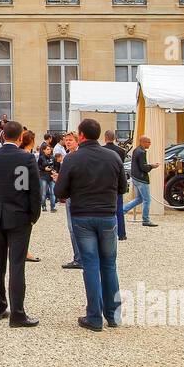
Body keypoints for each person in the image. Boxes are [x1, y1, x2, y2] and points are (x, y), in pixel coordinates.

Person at [55, 119, 128, 332]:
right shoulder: (113, 156)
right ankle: (113, 315)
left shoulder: (73, 158)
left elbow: (60, 192)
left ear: (81, 135)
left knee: (90, 265)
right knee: (109, 265)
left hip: (83, 216)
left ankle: (94, 316)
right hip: (107, 215)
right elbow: (122, 187)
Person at [0, 120, 42, 328]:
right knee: (17, 264)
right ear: (21, 137)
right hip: (20, 216)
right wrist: (34, 215)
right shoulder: (27, 158)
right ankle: (18, 313)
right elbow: (33, 190)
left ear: (3, 135)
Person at [121, 135, 158, 227]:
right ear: (143, 142)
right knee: (147, 200)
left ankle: (122, 211)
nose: (150, 144)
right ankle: (145, 219)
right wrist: (152, 166)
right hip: (141, 178)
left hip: (135, 177)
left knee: (139, 199)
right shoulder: (141, 152)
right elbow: (143, 167)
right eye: (148, 142)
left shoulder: (136, 150)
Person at [103, 130, 128, 242]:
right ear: (114, 138)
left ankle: (106, 233)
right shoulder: (121, 151)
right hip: (117, 182)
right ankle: (121, 233)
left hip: (103, 182)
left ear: (105, 138)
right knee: (119, 210)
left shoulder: (102, 150)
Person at [37, 142, 60, 212]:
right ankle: (43, 206)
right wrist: (44, 169)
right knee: (43, 193)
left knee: (53, 193)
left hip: (51, 177)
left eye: (50, 149)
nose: (49, 150)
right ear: (43, 150)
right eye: (47, 149)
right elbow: (38, 167)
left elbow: (57, 166)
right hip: (43, 177)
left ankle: (53, 207)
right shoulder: (41, 158)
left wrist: (55, 171)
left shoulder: (53, 157)